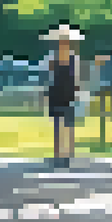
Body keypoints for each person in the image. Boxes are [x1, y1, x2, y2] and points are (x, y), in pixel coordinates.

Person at [42, 23, 83, 165]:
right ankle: (58, 154)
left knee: (69, 124)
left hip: (69, 93)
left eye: (66, 41)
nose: (64, 44)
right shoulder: (52, 58)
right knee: (57, 125)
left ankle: (69, 154)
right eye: (61, 41)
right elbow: (48, 75)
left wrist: (77, 91)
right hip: (56, 92)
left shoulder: (74, 58)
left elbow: (77, 77)